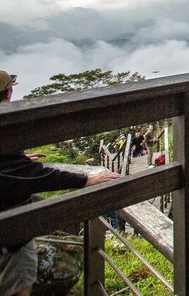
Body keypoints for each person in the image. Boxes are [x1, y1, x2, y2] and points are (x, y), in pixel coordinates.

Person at [0, 71, 120, 296]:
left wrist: (18, 162)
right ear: (8, 93)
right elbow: (33, 177)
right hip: (11, 238)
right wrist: (85, 179)